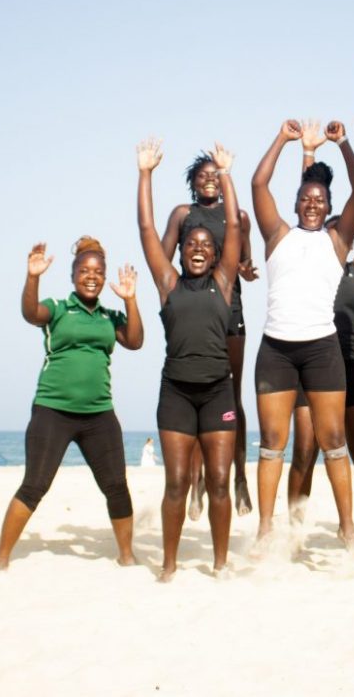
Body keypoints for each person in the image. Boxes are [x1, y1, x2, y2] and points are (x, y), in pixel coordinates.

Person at [0, 237, 143, 571]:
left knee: (117, 487)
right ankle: (1, 558)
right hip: (53, 411)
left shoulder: (109, 316)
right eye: (85, 270)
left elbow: (135, 341)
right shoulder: (58, 309)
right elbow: (31, 313)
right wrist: (33, 276)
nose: (92, 276)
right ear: (74, 275)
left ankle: (127, 556)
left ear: (104, 278)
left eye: (98, 271)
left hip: (99, 415)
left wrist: (131, 301)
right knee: (34, 486)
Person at [250, 119, 354, 549]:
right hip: (277, 350)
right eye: (305, 199)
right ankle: (265, 529)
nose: (312, 205)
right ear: (296, 203)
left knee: (334, 441)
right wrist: (282, 139)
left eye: (319, 200)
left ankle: (348, 527)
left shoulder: (338, 241)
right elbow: (258, 182)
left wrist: (343, 144)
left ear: (327, 204)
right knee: (272, 444)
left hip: (322, 349)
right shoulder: (277, 234)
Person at [137, 138, 241, 581]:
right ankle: (169, 563)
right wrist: (145, 175)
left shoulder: (223, 284)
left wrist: (227, 174)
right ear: (180, 252)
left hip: (218, 391)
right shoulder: (168, 285)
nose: (198, 248)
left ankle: (219, 563)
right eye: (190, 245)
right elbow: (145, 231)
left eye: (205, 245)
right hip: (176, 394)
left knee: (219, 482)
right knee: (176, 483)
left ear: (216, 255)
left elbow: (233, 225)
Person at [285, 122, 354, 530]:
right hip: (312, 366)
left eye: (340, 226)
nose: (332, 231)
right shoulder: (308, 255)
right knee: (305, 451)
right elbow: (306, 198)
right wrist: (306, 155)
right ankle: (293, 529)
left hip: (352, 366)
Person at [160, 152, 258, 521]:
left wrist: (245, 271)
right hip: (192, 309)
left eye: (215, 174)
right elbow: (165, 256)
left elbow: (243, 255)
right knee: (195, 387)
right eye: (203, 175)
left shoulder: (239, 217)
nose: (209, 179)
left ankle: (240, 478)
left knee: (231, 393)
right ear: (193, 181)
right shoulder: (183, 215)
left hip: (228, 309)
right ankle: (198, 482)